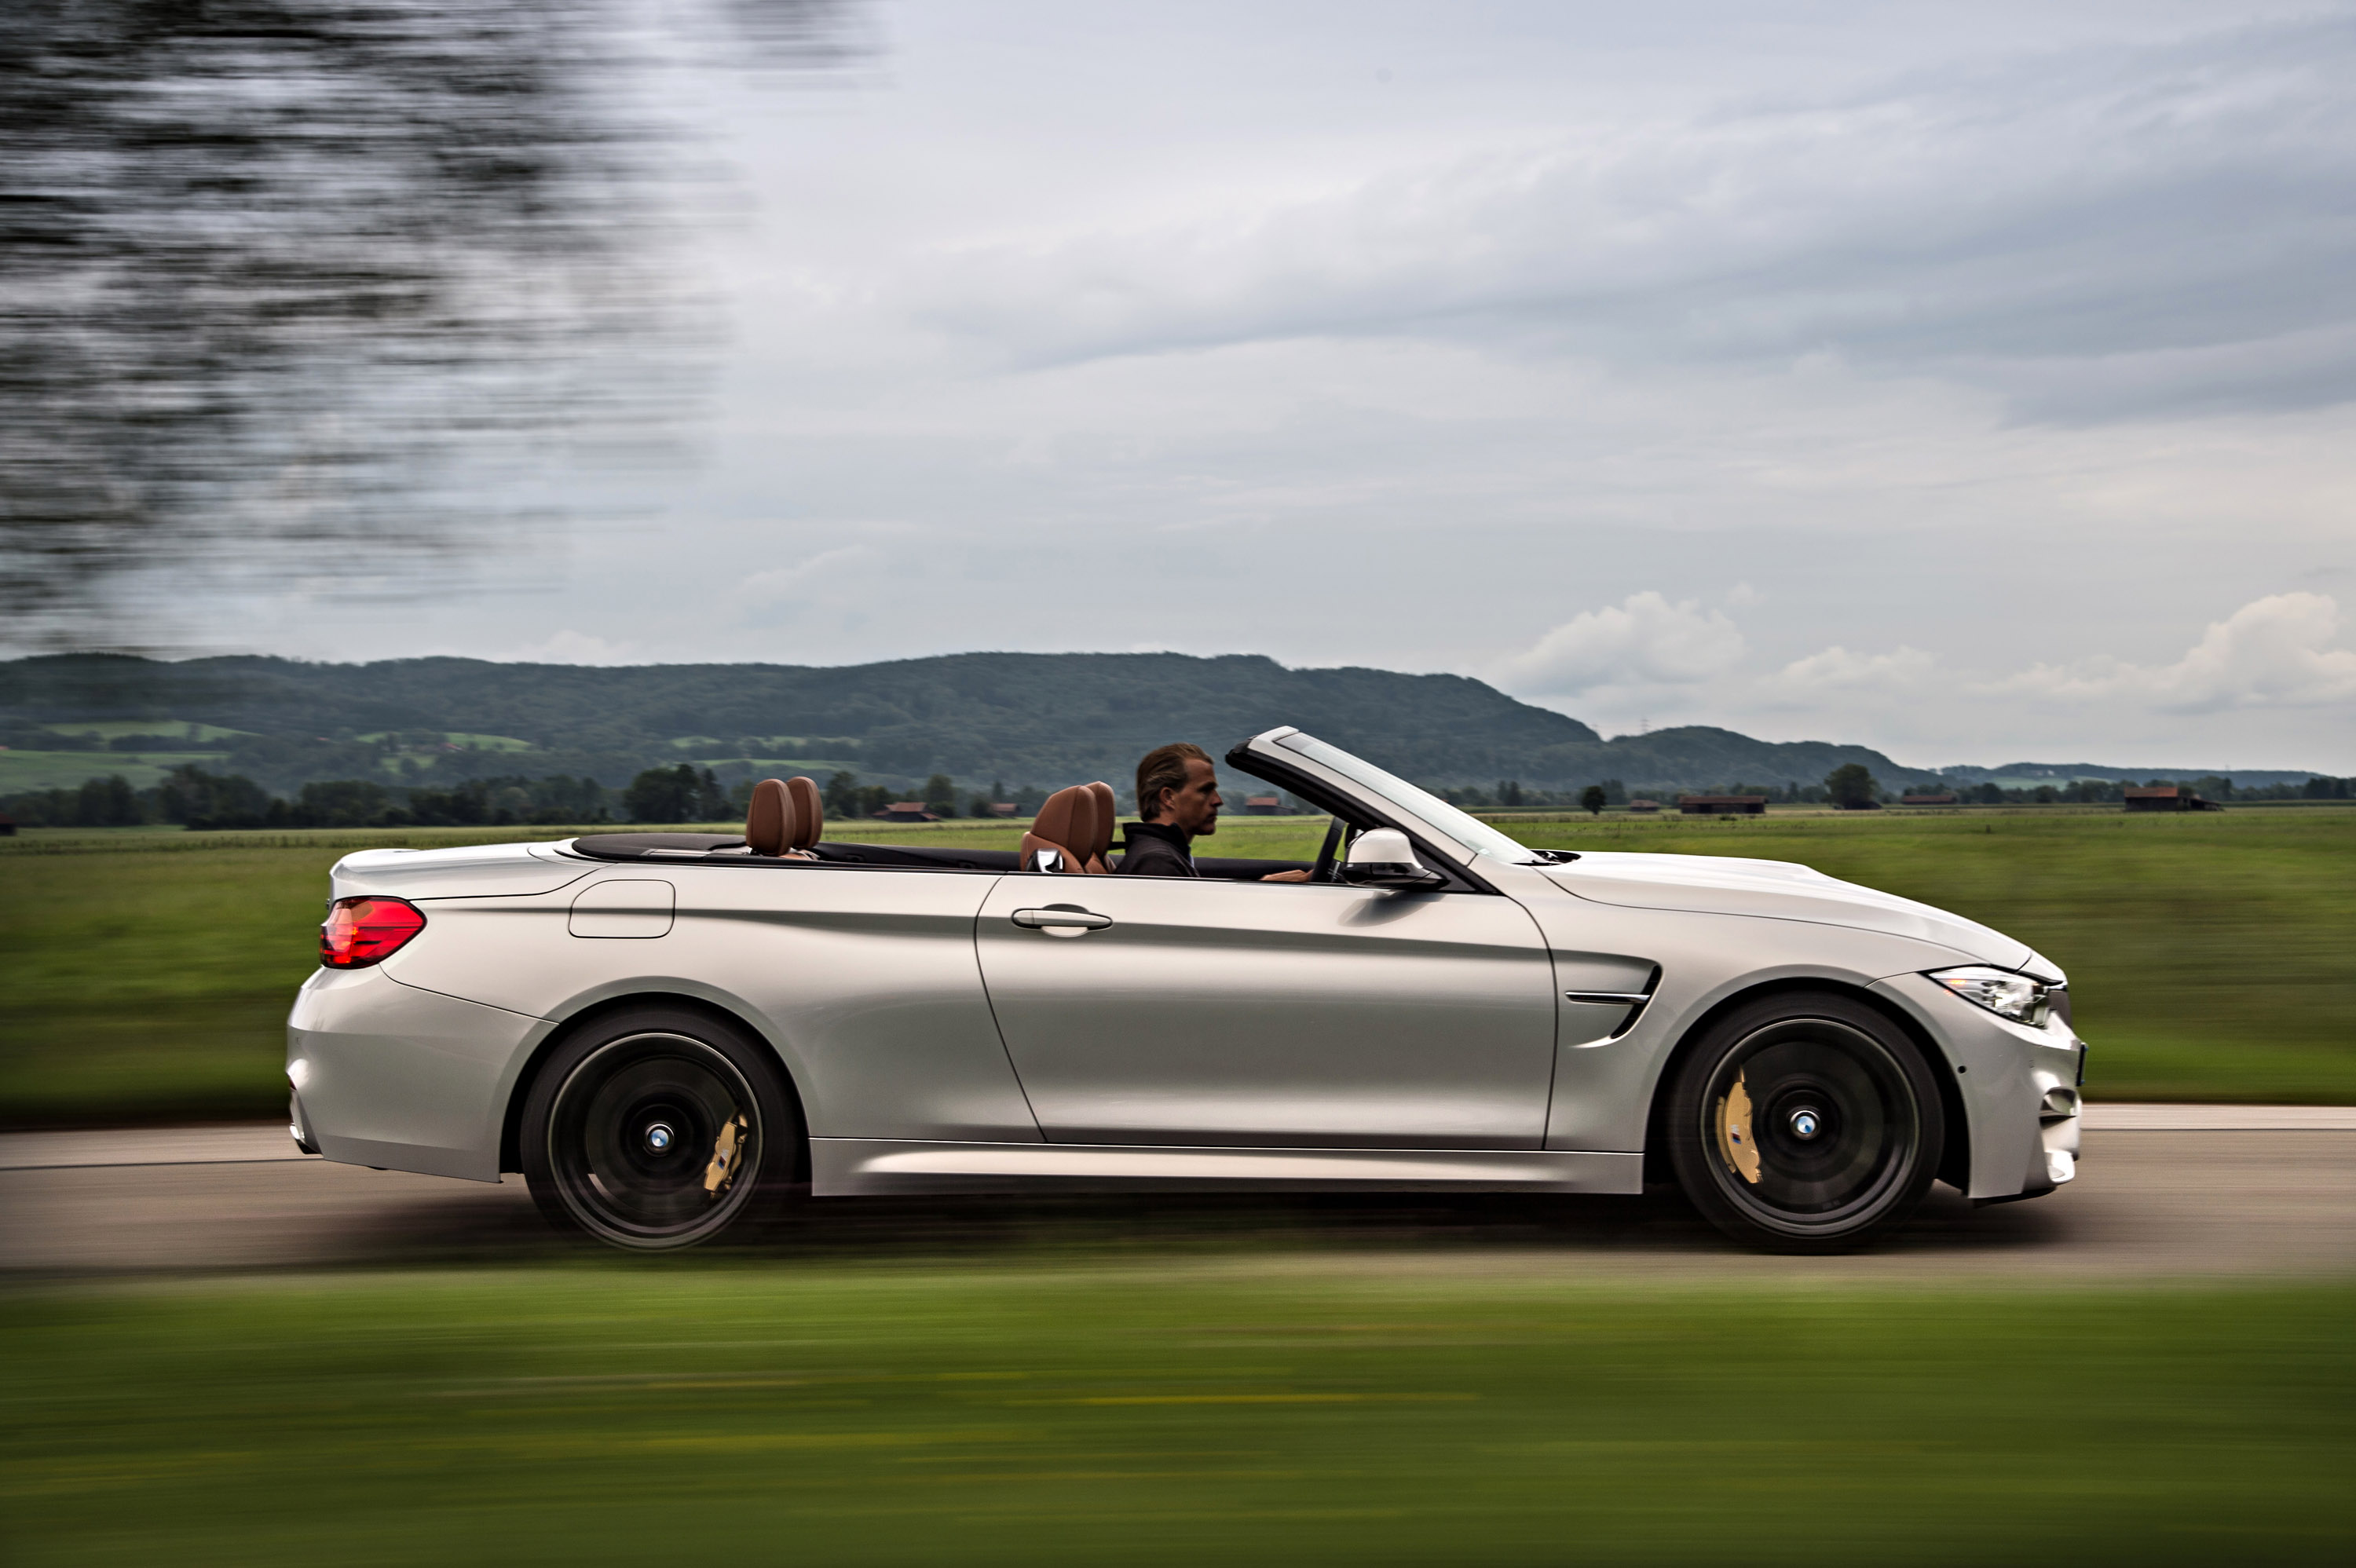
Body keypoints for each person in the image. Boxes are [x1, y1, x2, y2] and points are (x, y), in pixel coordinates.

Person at [1121, 742, 1312, 881]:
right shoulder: (1157, 863)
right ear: (1168, 797)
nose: (1218, 801)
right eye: (1205, 790)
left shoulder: (1163, 854)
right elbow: (1191, 935)